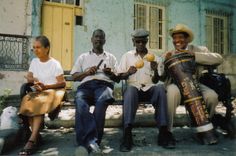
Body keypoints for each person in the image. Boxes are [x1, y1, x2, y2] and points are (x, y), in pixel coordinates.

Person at [163, 24, 223, 143]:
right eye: (174, 38)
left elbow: (219, 58)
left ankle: (204, 127)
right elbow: (161, 75)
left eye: (180, 37)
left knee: (212, 96)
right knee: (171, 93)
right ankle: (167, 132)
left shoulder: (199, 50)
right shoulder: (169, 53)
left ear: (187, 39)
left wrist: (195, 56)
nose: (177, 41)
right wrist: (163, 62)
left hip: (196, 84)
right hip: (177, 85)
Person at [117, 29, 175, 152]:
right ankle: (127, 134)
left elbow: (155, 81)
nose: (141, 45)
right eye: (138, 42)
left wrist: (155, 71)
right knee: (130, 90)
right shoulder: (127, 56)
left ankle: (163, 132)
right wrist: (128, 72)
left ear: (146, 41)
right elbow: (119, 77)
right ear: (133, 42)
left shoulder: (154, 57)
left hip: (150, 89)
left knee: (160, 88)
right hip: (134, 90)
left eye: (143, 42)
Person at [71, 29, 119, 155]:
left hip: (104, 86)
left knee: (102, 102)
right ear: (91, 39)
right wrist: (87, 72)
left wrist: (111, 73)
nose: (98, 39)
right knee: (80, 103)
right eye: (96, 37)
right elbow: (74, 77)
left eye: (101, 37)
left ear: (104, 41)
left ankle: (85, 143)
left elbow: (118, 79)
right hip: (85, 87)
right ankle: (93, 143)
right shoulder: (83, 57)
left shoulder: (111, 58)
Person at [18, 35, 66, 155]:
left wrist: (46, 86)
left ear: (47, 48)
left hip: (53, 92)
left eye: (38, 47)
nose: (35, 50)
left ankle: (32, 140)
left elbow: (62, 83)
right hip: (39, 91)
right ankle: (36, 136)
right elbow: (30, 77)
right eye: (34, 47)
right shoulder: (34, 62)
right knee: (27, 101)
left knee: (37, 104)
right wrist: (32, 80)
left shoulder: (55, 63)